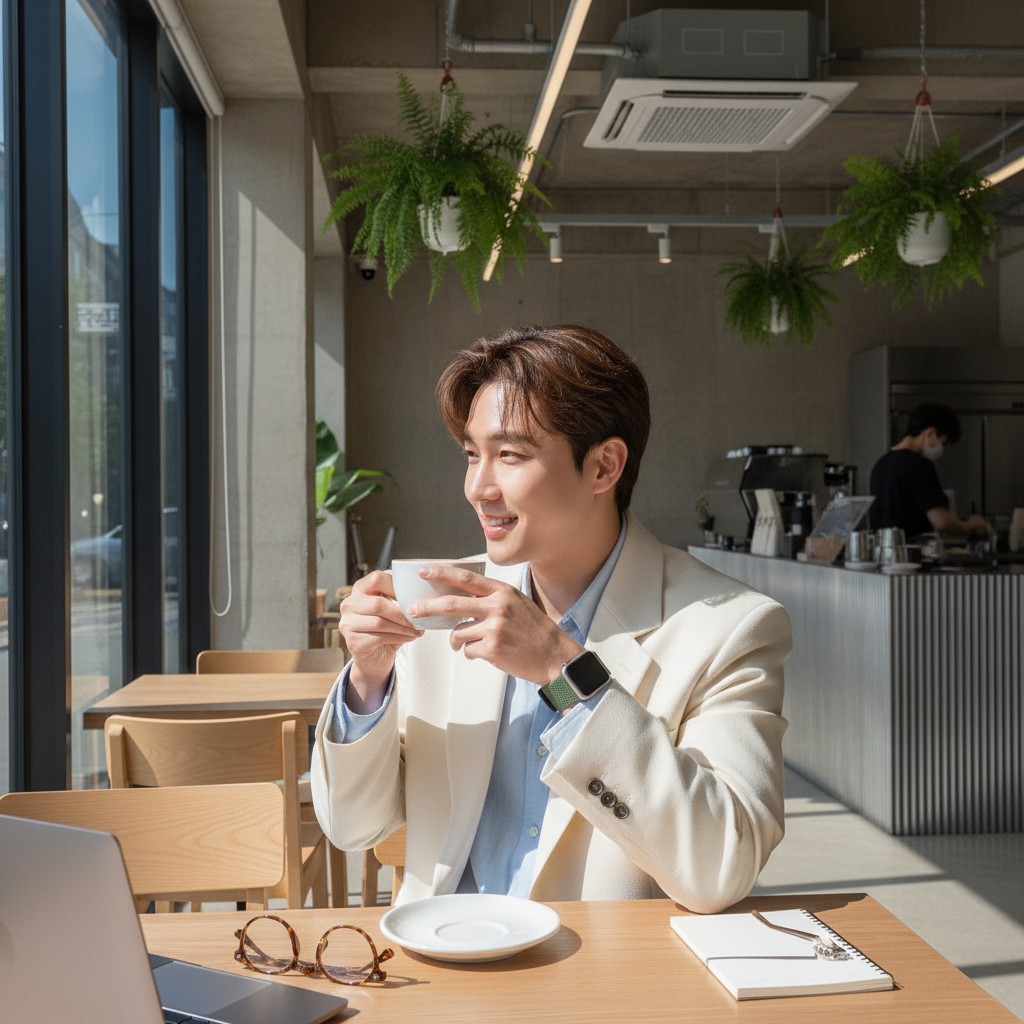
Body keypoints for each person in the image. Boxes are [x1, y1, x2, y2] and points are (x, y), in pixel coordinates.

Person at [312, 324, 791, 914]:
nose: (477, 487)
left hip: (604, 967)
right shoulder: (442, 605)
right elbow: (352, 827)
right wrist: (367, 682)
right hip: (442, 952)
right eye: (472, 454)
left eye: (510, 455)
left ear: (604, 467)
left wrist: (566, 672)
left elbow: (721, 867)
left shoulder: (730, 628)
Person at [869, 402, 989, 539]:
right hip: (912, 549)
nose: (941, 450)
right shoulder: (919, 465)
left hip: (883, 549)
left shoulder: (881, 464)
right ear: (931, 433)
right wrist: (973, 525)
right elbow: (941, 522)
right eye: (943, 443)